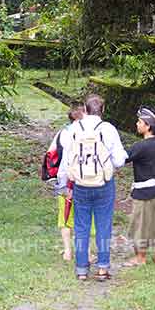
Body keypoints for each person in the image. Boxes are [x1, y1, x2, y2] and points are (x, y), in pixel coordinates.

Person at [58, 94, 128, 281]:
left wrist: (64, 184)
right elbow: (120, 160)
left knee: (81, 226)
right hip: (103, 183)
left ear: (85, 110)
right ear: (103, 110)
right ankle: (103, 268)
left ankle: (81, 270)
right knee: (103, 225)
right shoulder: (108, 129)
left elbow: (66, 162)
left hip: (80, 184)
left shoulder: (73, 129)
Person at [123, 105, 155, 267]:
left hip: (143, 192)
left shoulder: (140, 147)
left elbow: (122, 159)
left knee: (140, 224)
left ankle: (140, 257)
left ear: (147, 126)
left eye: (139, 121)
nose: (137, 124)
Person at [50, 105, 88, 261]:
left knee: (64, 215)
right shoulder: (87, 133)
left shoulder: (62, 132)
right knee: (84, 215)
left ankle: (67, 251)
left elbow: (51, 153)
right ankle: (85, 252)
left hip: (64, 178)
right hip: (84, 179)